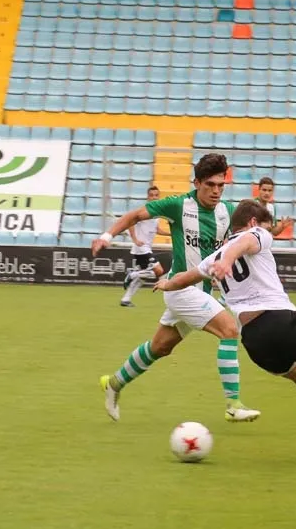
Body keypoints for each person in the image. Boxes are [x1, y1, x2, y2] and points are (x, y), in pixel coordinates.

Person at [155, 200, 296, 462]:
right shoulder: (256, 234)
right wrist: (228, 259)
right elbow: (244, 243)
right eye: (264, 226)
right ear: (253, 222)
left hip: (254, 342)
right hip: (279, 320)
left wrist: (166, 284)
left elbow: (184, 278)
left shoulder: (213, 258)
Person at [91, 153, 261, 423]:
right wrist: (106, 236)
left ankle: (114, 383)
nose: (216, 191)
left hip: (202, 292)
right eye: (210, 185)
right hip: (180, 290)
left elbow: (245, 239)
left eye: (221, 185)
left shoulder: (227, 211)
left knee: (160, 347)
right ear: (197, 183)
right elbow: (136, 215)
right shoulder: (178, 205)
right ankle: (233, 404)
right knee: (229, 330)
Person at [119, 185, 167, 307]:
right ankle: (132, 274)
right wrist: (135, 239)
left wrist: (171, 234)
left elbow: (156, 229)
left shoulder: (156, 213)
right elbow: (130, 222)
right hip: (141, 248)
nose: (154, 197)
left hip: (145, 248)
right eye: (151, 195)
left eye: (156, 195)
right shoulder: (143, 211)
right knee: (159, 271)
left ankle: (126, 299)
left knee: (143, 277)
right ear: (148, 197)